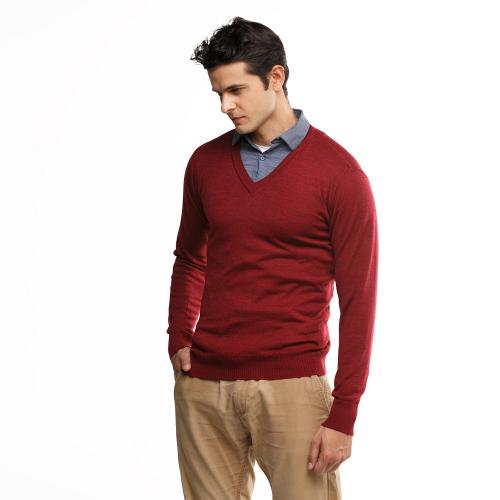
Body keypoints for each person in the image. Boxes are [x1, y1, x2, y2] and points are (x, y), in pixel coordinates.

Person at [166, 16, 378, 500]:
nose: (226, 106)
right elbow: (190, 258)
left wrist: (344, 412)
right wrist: (179, 334)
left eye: (236, 90)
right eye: (218, 93)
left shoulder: (340, 174)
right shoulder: (205, 163)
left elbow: (359, 299)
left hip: (292, 387)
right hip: (204, 387)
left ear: (276, 77)